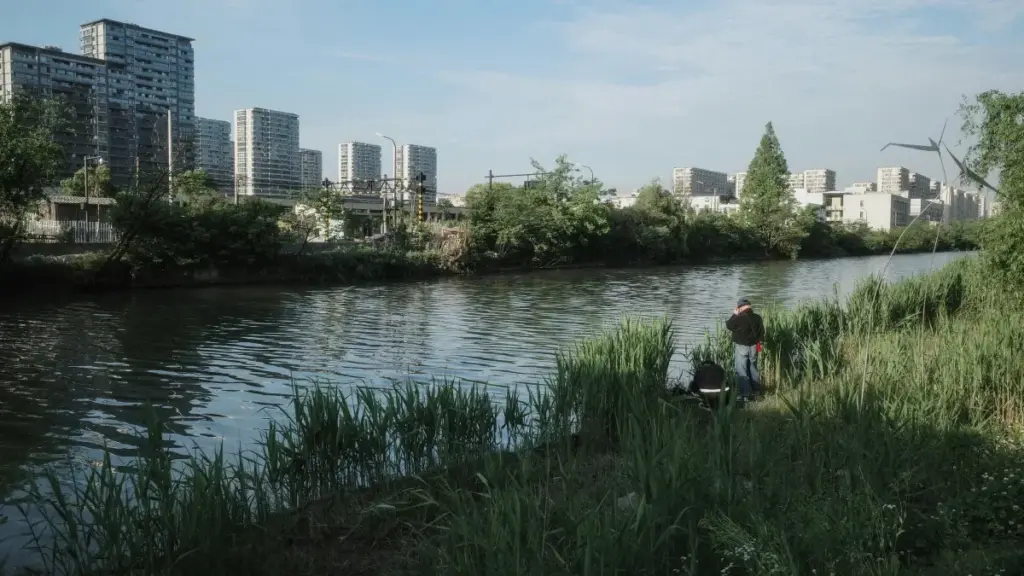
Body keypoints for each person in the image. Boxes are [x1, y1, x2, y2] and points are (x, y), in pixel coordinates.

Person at [725, 297, 764, 400]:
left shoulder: (739, 317)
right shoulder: (758, 317)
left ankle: (744, 395)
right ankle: (757, 392)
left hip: (742, 347)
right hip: (754, 347)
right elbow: (761, 333)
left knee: (741, 370)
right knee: (753, 368)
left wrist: (734, 314)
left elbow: (729, 325)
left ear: (740, 308)